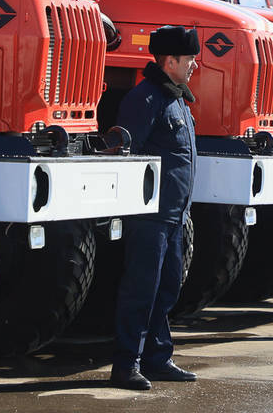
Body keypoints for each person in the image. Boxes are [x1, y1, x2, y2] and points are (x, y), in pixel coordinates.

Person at [111, 25, 200, 390]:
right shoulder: (145, 99)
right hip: (151, 217)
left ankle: (157, 358)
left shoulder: (176, 98)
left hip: (175, 215)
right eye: (189, 58)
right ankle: (126, 364)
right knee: (141, 290)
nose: (194, 65)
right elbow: (127, 153)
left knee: (167, 289)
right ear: (169, 61)